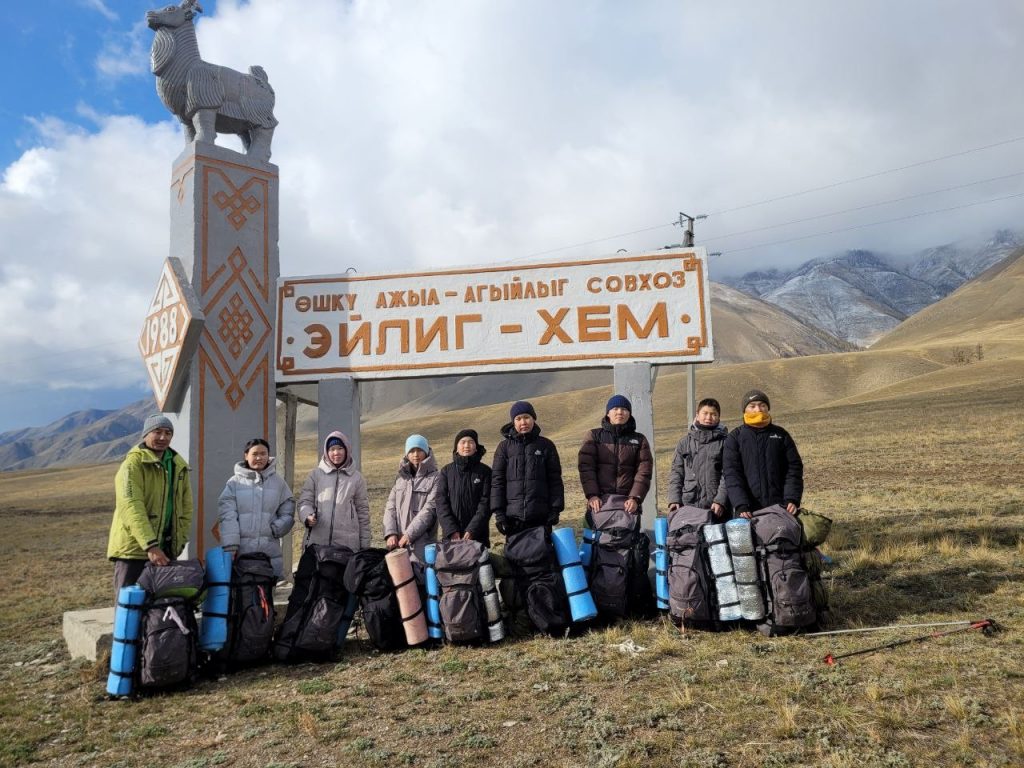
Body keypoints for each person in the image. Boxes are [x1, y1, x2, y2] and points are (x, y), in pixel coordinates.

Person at [107, 414, 193, 600]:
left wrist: (179, 540)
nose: (163, 437)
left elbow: (186, 507)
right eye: (157, 432)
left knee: (160, 605)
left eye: (168, 433)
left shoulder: (178, 465)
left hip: (166, 549)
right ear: (145, 434)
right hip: (135, 551)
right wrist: (150, 545)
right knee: (130, 604)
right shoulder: (132, 465)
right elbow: (131, 507)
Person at [217, 438, 295, 579]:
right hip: (242, 552)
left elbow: (288, 508)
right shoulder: (234, 483)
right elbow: (227, 516)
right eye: (255, 454)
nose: (259, 458)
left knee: (267, 589)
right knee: (244, 589)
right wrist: (231, 546)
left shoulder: (278, 482)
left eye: (263, 454)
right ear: (246, 456)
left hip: (269, 552)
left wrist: (277, 528)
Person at [722, 389, 803, 519]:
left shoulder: (781, 435)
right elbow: (732, 474)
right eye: (752, 406)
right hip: (748, 511)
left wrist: (791, 498)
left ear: (768, 408)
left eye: (762, 405)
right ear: (745, 410)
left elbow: (793, 468)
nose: (758, 409)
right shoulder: (735, 437)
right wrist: (741, 504)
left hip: (781, 507)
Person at [491, 401, 564, 534]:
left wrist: (555, 510)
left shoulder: (546, 445)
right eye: (518, 419)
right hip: (512, 519)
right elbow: (497, 482)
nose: (523, 422)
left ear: (533, 419)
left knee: (542, 548)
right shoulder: (504, 448)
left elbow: (555, 480)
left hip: (541, 516)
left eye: (527, 417)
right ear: (513, 422)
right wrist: (499, 514)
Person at [578, 394, 654, 517]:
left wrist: (634, 498)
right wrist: (592, 495)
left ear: (629, 414)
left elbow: (644, 472)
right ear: (608, 413)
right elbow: (586, 468)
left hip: (628, 505)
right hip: (600, 503)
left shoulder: (639, 439)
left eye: (624, 409)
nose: (620, 412)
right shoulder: (594, 436)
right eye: (615, 408)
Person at [298, 431, 370, 552]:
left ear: (346, 449)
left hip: (347, 546)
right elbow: (305, 501)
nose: (336, 453)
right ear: (326, 452)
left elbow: (363, 512)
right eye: (332, 449)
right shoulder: (315, 475)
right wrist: (307, 515)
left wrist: (365, 545)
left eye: (340, 448)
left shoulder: (357, 478)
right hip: (317, 545)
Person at [383, 434, 441, 582]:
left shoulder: (436, 478)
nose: (415, 454)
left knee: (423, 585)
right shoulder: (400, 478)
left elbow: (429, 510)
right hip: (398, 545)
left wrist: (409, 535)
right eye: (411, 451)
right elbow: (390, 507)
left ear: (426, 452)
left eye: (419, 450)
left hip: (422, 544)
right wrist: (390, 533)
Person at [666, 397, 730, 519]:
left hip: (716, 508)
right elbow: (676, 473)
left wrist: (720, 500)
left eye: (713, 414)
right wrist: (674, 499)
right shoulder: (684, 443)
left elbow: (728, 474)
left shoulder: (726, 443)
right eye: (705, 413)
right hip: (689, 505)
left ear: (719, 417)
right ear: (697, 415)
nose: (709, 418)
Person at [435, 429, 492, 547]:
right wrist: (451, 530)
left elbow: (486, 503)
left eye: (471, 442)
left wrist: (472, 530)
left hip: (478, 535)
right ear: (456, 448)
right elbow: (441, 502)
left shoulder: (485, 472)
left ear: (476, 447)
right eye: (463, 442)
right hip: (451, 537)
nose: (467, 445)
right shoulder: (446, 471)